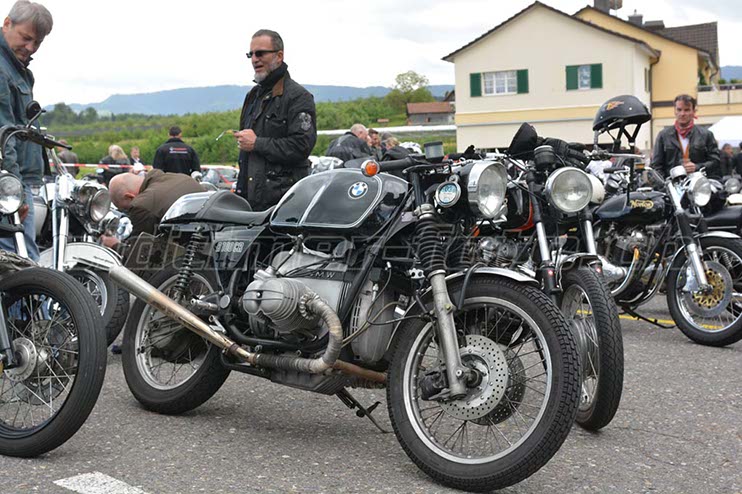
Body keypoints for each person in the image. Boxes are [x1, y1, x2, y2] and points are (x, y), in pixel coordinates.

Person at [234, 29, 316, 211]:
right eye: (251, 54)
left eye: (260, 53)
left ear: (279, 56)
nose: (254, 59)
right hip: (249, 203)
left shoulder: (298, 97)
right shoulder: (252, 96)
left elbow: (301, 146)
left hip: (284, 204)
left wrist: (257, 143)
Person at [0, 1, 53, 261]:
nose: (31, 47)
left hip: (23, 178)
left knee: (24, 258)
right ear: (7, 24)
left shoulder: (16, 69)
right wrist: (14, 190)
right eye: (26, 38)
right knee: (22, 263)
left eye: (38, 42)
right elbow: (3, 134)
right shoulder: (2, 68)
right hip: (11, 182)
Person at [102, 169, 203, 251]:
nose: (129, 212)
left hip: (188, 257)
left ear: (129, 196)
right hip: (204, 242)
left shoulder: (141, 206)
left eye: (126, 209)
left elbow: (138, 253)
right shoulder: (182, 177)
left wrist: (115, 245)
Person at [651, 94, 720, 179]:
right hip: (671, 184)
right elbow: (656, 166)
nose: (682, 114)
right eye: (679, 110)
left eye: (687, 110)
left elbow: (716, 162)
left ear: (693, 111)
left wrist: (697, 167)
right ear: (674, 111)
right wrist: (666, 184)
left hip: (699, 183)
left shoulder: (706, 135)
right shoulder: (663, 135)